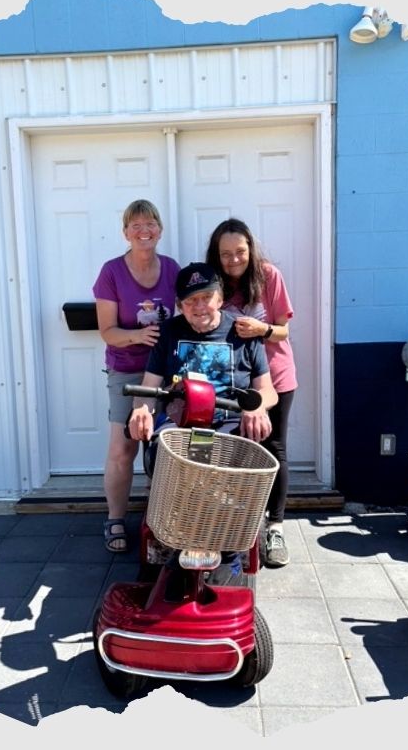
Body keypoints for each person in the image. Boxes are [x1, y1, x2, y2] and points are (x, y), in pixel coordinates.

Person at [206, 219, 297, 567]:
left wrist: (262, 328)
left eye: (240, 252)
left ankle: (274, 527)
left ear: (250, 249)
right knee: (235, 450)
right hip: (233, 382)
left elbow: (284, 330)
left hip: (276, 376)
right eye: (226, 254)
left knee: (274, 448)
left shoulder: (269, 275)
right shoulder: (214, 284)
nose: (233, 260)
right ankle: (237, 523)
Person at [93, 200, 180, 553]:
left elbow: (193, 308)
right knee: (123, 447)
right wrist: (137, 337)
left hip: (167, 369)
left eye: (151, 222)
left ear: (160, 228)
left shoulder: (173, 269)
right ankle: (115, 518)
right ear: (125, 232)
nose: (144, 230)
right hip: (127, 369)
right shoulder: (112, 272)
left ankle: (163, 517)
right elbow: (107, 331)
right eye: (136, 224)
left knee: (169, 445)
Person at [126, 262, 277, 446]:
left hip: (231, 423)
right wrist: (141, 409)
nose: (199, 306)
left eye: (207, 297)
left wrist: (257, 407)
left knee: (245, 451)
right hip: (179, 424)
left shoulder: (245, 331)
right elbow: (148, 387)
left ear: (220, 300)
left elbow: (268, 391)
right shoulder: (167, 332)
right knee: (161, 451)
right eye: (190, 300)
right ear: (180, 305)